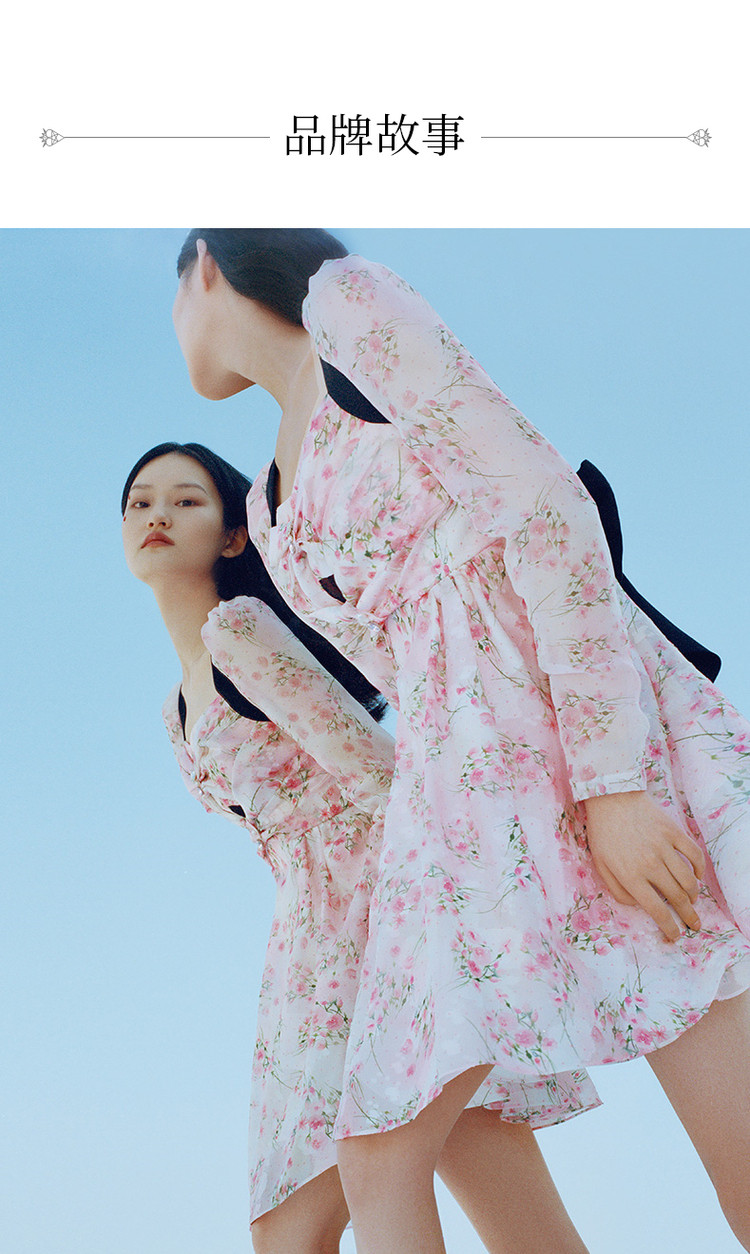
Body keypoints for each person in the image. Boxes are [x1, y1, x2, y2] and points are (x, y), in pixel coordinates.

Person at [170, 231, 750, 1254]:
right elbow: (406, 676)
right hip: (460, 804)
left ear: (206, 265)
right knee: (380, 1145)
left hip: (584, 742)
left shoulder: (350, 307)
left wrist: (615, 785)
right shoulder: (265, 504)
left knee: (737, 1147)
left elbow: (546, 504)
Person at [122, 441, 594, 1254]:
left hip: (379, 922)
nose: (156, 514)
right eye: (139, 503)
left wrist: (461, 921)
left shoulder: (239, 633)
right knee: (517, 1221)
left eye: (186, 500)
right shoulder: (175, 708)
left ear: (235, 535)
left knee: (294, 1223)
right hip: (309, 936)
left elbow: (383, 777)